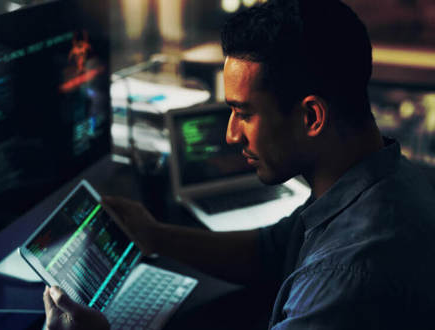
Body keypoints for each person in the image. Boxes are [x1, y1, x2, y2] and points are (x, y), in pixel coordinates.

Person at [43, 0, 435, 329]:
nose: (231, 135)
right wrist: (154, 235)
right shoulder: (387, 176)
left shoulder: (343, 279)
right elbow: (269, 252)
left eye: (243, 113)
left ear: (312, 117)